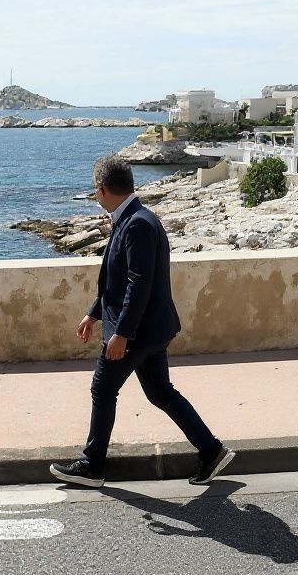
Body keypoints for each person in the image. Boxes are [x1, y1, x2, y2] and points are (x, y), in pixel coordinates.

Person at [49, 156, 235, 488]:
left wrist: (121, 333)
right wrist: (93, 313)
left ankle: (92, 465)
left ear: (102, 189)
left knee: (102, 389)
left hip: (135, 333)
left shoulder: (136, 224)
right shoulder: (134, 218)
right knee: (161, 392)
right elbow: (117, 280)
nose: (95, 195)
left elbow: (139, 284)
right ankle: (211, 450)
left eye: (95, 190)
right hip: (151, 331)